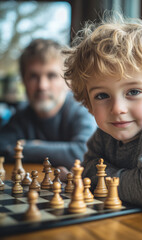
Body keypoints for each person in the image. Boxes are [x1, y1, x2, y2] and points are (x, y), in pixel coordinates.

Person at [63, 14, 142, 213]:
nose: (117, 108)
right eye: (102, 95)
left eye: (133, 92)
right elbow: (86, 168)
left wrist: (95, 174)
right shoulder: (105, 133)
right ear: (88, 103)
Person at [0, 39, 96, 175]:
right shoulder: (22, 114)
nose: (42, 86)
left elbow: (83, 153)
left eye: (51, 76)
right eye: (33, 76)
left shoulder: (82, 110)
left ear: (69, 81)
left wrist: (28, 146)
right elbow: (2, 145)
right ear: (23, 80)